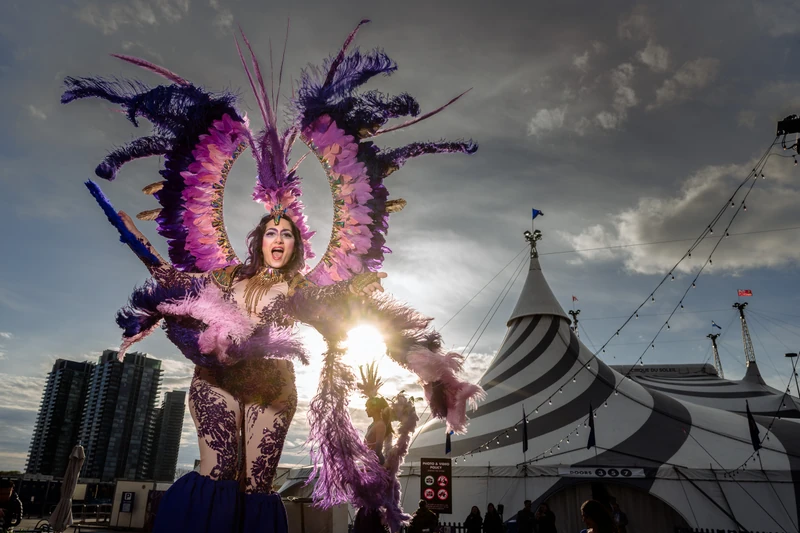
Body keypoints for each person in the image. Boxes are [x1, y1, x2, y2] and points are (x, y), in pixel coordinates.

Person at [64, 20, 481, 533]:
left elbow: (367, 316)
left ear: (297, 242)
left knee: (256, 483)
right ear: (259, 238)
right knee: (219, 470)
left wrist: (433, 369)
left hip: (274, 385)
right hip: (218, 376)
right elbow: (180, 297)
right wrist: (165, 297)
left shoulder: (309, 290)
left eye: (287, 233)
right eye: (271, 231)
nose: (278, 238)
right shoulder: (223, 277)